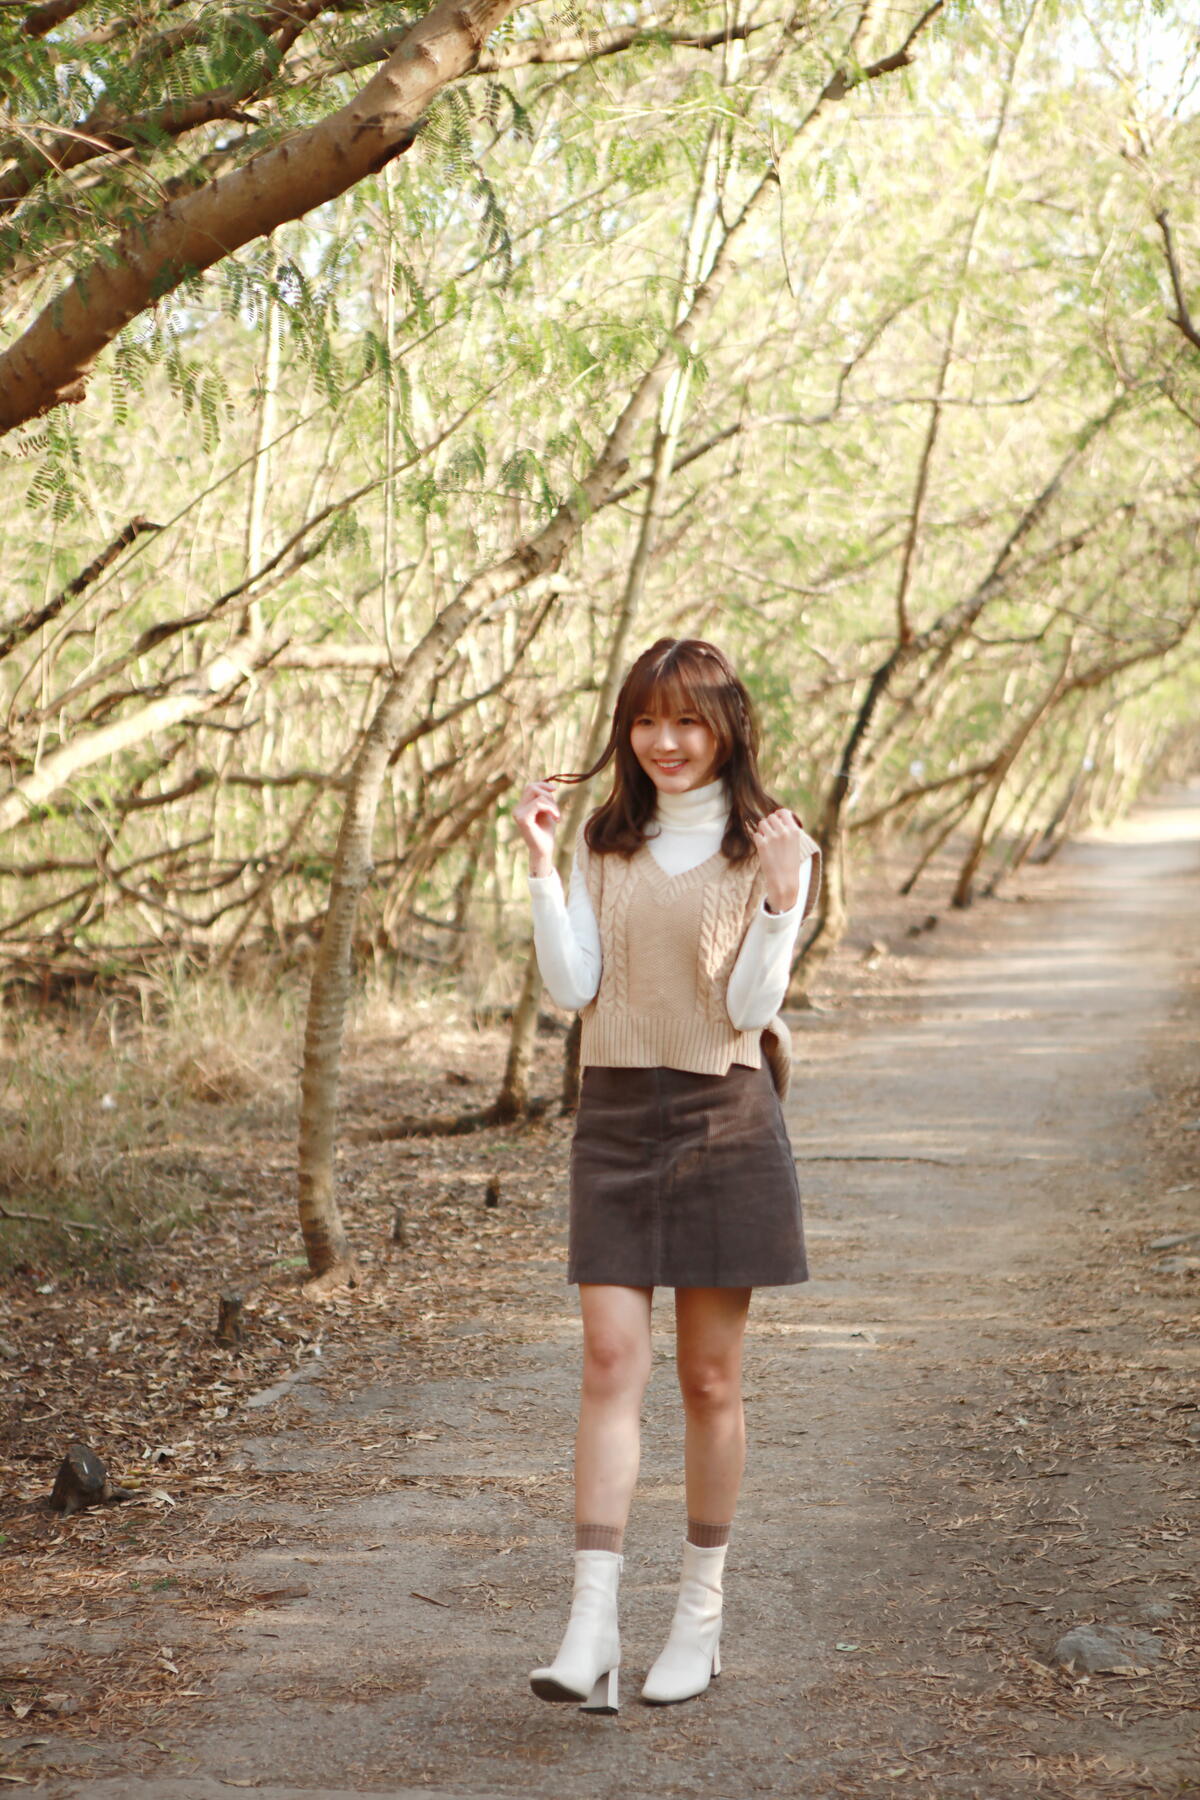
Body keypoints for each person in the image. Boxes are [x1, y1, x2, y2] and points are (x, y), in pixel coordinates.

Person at [512, 637, 821, 1714]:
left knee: (708, 1381)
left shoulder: (774, 845)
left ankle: (699, 1618)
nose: (666, 741)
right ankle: (591, 1623)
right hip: (614, 1115)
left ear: (728, 726)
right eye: (647, 720)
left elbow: (747, 1011)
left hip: (724, 1116)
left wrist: (780, 901)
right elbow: (573, 986)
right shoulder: (605, 841)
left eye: (688, 719)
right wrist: (542, 867)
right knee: (609, 1359)